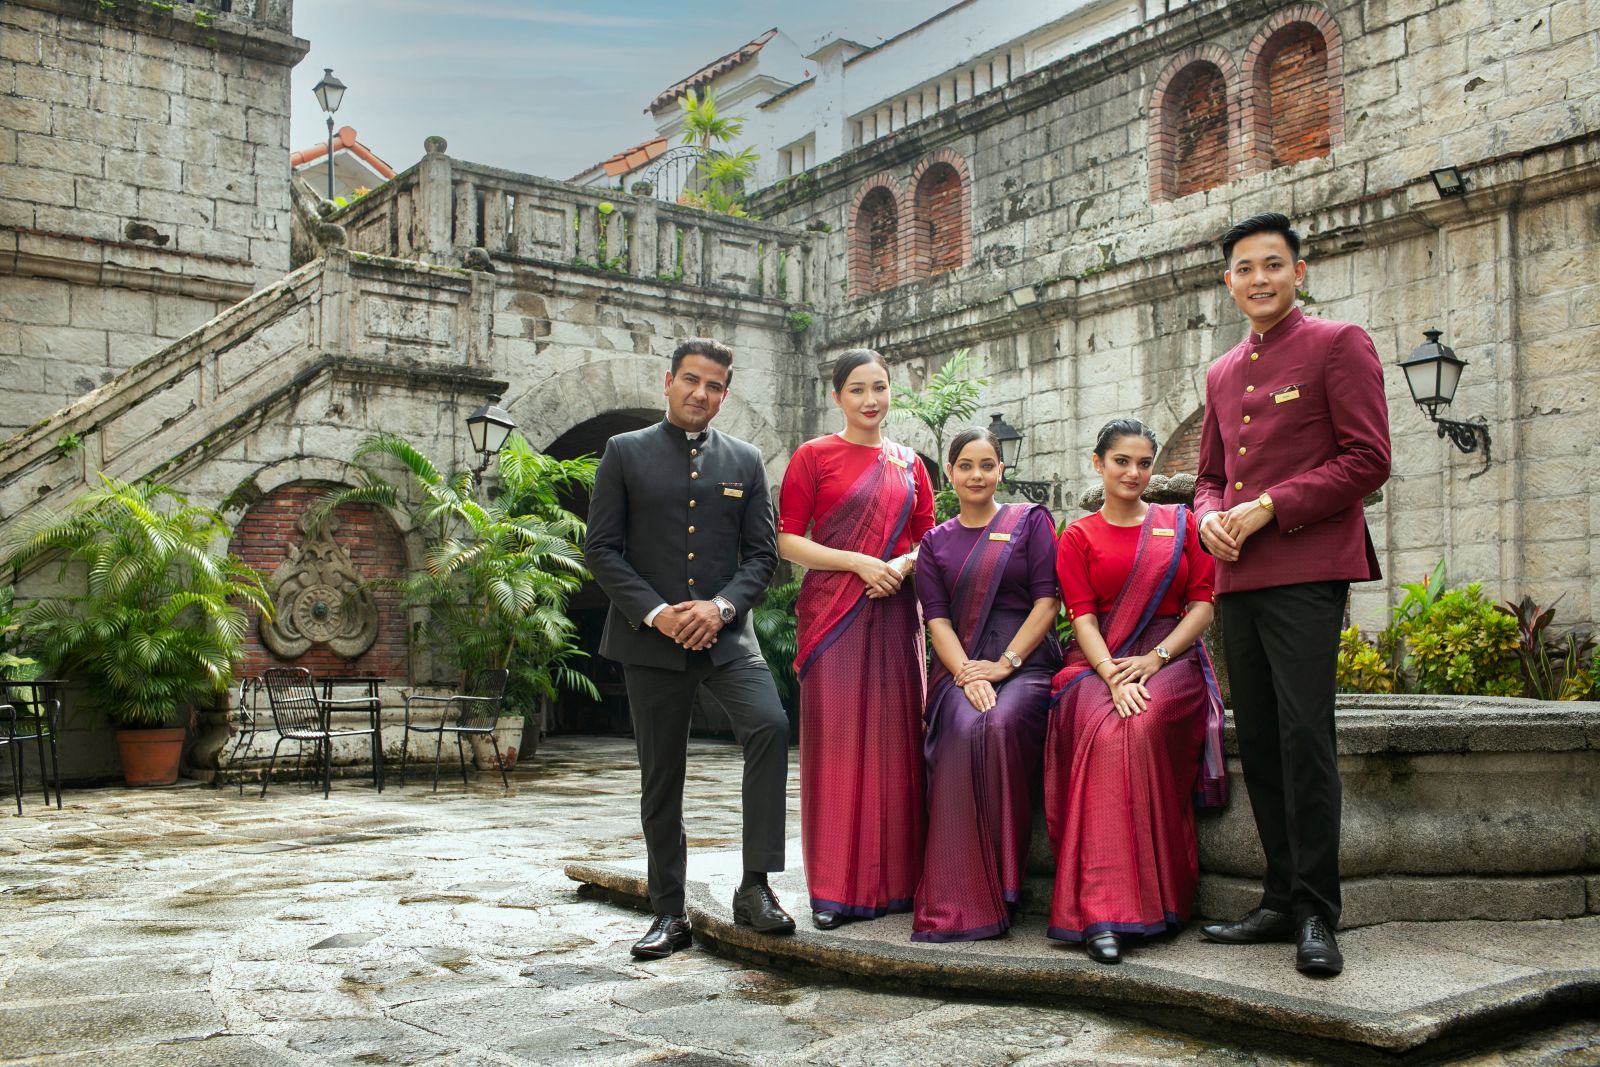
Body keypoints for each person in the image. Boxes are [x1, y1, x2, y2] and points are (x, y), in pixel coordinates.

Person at [1194, 212, 1391, 977]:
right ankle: (1278, 898)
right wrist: (1209, 517)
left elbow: (1368, 458)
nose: (1260, 279)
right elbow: (1210, 475)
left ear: (1298, 271)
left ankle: (1317, 909)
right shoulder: (1218, 371)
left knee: (1307, 738)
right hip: (1237, 575)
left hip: (1307, 571)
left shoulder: (1339, 344)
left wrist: (1273, 504)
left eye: (1273, 264)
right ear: (1229, 281)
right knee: (1265, 742)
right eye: (1245, 268)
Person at [586, 337, 795, 960]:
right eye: (692, 381)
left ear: (725, 394)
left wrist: (721, 607)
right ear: (669, 381)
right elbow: (602, 550)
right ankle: (668, 913)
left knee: (768, 726)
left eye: (715, 386)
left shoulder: (747, 459)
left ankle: (754, 888)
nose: (701, 394)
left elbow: (762, 557)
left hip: (727, 636)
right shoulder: (624, 452)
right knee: (661, 778)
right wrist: (657, 613)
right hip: (649, 640)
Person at [1046, 419, 1223, 965]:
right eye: (1121, 461)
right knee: (1105, 727)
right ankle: (1100, 911)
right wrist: (1111, 674)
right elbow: (1082, 618)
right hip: (1096, 663)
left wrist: (1153, 660)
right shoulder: (1077, 536)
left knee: (1139, 723)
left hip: (1170, 657)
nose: (1134, 472)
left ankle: (1160, 897)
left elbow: (1203, 605)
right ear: (1098, 464)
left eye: (1144, 462)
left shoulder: (1180, 524)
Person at [778, 348, 935, 930]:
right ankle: (834, 889)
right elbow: (789, 541)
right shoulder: (813, 456)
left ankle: (896, 884)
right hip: (834, 615)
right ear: (838, 396)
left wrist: (899, 565)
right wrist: (859, 563)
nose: (872, 400)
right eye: (858, 390)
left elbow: (930, 540)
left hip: (895, 610)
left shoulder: (909, 464)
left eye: (881, 388)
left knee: (897, 741)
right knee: (838, 746)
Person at [911, 428, 1061, 943]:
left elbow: (1048, 602)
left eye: (988, 465)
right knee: (959, 724)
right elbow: (937, 621)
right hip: (962, 667)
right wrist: (965, 673)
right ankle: (962, 890)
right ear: (950, 474)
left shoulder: (1029, 522)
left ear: (1001, 470)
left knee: (998, 723)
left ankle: (1007, 885)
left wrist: (1005, 664)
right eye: (966, 465)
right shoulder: (934, 542)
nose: (977, 475)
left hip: (1025, 663)